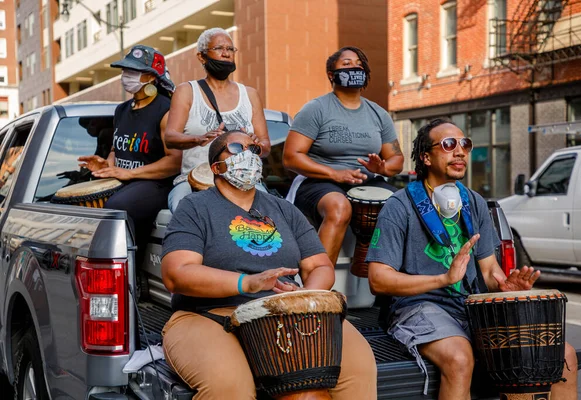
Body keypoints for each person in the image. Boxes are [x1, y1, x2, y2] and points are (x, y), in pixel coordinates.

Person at [366, 118, 578, 400]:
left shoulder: (474, 202)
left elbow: (489, 270)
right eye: (449, 144)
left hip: (469, 308)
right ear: (426, 157)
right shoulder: (399, 206)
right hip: (416, 307)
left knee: (564, 355)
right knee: (459, 358)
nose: (460, 152)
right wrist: (443, 279)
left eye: (465, 144)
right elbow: (378, 280)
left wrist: (504, 285)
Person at [161, 130, 377, 400]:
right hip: (208, 315)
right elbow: (177, 273)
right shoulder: (195, 207)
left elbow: (320, 266)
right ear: (216, 166)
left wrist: (305, 297)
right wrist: (247, 282)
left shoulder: (284, 209)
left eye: (254, 149)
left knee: (356, 371)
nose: (249, 154)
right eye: (238, 147)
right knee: (229, 388)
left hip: (284, 312)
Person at [282, 46, 404, 266]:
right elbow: (291, 157)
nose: (354, 67)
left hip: (368, 181)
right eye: (346, 64)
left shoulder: (378, 113)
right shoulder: (316, 109)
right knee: (339, 206)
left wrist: (382, 169)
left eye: (359, 63)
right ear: (331, 74)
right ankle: (319, 287)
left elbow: (397, 160)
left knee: (403, 207)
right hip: (319, 181)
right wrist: (334, 173)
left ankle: (390, 289)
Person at [78, 45, 182, 262]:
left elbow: (174, 161)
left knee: (118, 207)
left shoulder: (167, 110)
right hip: (128, 182)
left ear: (152, 77)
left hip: (156, 184)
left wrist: (130, 174)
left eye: (133, 71)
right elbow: (117, 149)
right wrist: (106, 165)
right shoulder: (122, 110)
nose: (126, 76)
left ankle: (131, 272)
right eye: (125, 71)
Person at [164, 27, 270, 212]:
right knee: (182, 214)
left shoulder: (250, 94)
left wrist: (254, 145)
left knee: (270, 216)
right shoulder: (187, 91)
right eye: (219, 48)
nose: (226, 54)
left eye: (230, 49)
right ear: (201, 57)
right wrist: (198, 139)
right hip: (194, 178)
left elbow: (266, 146)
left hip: (244, 179)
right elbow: (170, 137)